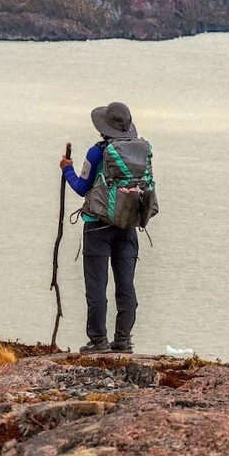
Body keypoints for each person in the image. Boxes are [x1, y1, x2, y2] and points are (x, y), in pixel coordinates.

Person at [60, 101, 147, 354]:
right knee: (126, 284)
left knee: (97, 285)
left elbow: (82, 188)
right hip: (127, 224)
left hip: (97, 226)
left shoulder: (97, 152)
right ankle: (123, 339)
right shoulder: (139, 153)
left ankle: (98, 340)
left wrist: (67, 170)